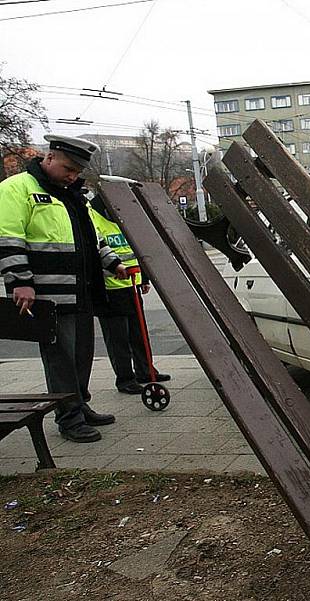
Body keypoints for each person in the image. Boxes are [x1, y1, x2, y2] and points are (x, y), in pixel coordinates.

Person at [0, 135, 124, 442]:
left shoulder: (72, 195)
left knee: (82, 353)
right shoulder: (17, 189)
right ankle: (69, 418)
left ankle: (80, 405)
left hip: (82, 290)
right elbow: (8, 237)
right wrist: (21, 282)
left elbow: (90, 239)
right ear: (49, 158)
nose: (72, 175)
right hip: (48, 294)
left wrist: (113, 263)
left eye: (77, 171)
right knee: (61, 358)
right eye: (68, 168)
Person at [88, 196, 170, 394]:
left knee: (138, 332)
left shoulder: (123, 218)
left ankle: (145, 371)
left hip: (131, 284)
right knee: (118, 338)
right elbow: (96, 250)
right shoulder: (93, 216)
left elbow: (136, 249)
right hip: (109, 288)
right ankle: (125, 378)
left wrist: (144, 278)